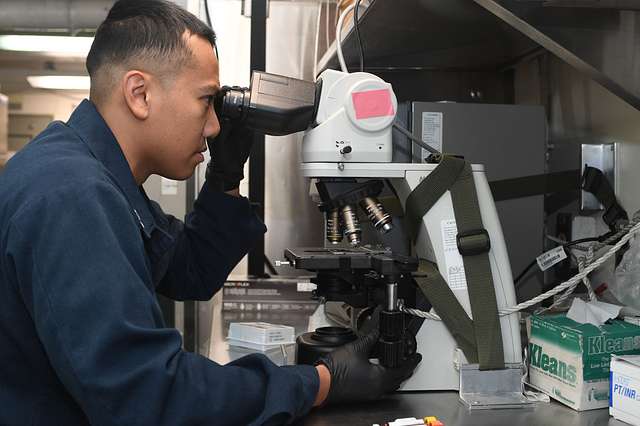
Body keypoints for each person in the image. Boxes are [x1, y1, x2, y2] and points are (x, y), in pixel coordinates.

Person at [0, 1, 421, 425]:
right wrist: (320, 383)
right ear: (140, 94)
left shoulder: (90, 175)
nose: (214, 125)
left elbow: (189, 269)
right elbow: (150, 396)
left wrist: (225, 176)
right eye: (205, 100)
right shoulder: (72, 197)